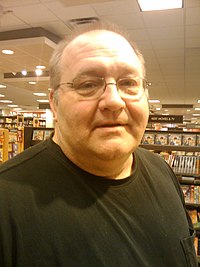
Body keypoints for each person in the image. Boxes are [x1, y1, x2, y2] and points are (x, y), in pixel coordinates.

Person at [0, 21, 197, 267]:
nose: (114, 101)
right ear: (54, 103)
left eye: (128, 83)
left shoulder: (162, 170)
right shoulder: (6, 202)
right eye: (88, 85)